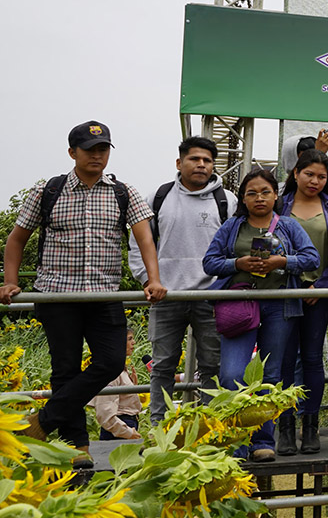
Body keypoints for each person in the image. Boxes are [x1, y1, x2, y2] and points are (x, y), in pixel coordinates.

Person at [3, 121, 165, 468]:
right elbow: (17, 239)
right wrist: (10, 282)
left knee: (111, 361)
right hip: (58, 295)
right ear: (72, 152)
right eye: (90, 149)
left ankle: (44, 422)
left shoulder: (124, 192)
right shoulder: (48, 191)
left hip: (104, 294)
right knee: (65, 368)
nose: (97, 155)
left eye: (103, 149)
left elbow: (145, 239)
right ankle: (78, 446)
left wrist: (153, 279)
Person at [204, 168, 320, 462]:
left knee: (270, 375)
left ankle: (262, 440)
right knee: (232, 374)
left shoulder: (289, 226)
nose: (259, 198)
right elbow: (210, 262)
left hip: (279, 306)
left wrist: (282, 261)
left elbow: (311, 258)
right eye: (252, 193)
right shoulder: (232, 227)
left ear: (276, 195)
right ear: (243, 198)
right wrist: (238, 264)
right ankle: (236, 441)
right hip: (240, 305)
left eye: (265, 192)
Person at [128, 136, 227, 427]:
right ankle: (159, 428)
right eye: (194, 159)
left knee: (212, 366)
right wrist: (148, 280)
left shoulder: (227, 200)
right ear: (179, 162)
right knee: (162, 366)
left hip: (211, 296)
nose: (201, 165)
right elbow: (138, 244)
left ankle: (208, 427)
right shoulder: (157, 197)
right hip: (165, 296)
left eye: (207, 160)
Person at [277, 149, 328, 455]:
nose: (315, 181)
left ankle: (310, 426)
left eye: (322, 176)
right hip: (285, 293)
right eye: (309, 174)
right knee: (285, 362)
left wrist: (324, 284)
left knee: (314, 359)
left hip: (321, 294)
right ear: (295, 174)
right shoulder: (279, 205)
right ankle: (286, 426)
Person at [90, 331, 143, 441]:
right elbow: (104, 412)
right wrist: (127, 432)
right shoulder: (111, 371)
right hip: (119, 430)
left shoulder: (121, 369)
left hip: (125, 426)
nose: (134, 342)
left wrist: (133, 386)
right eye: (129, 339)